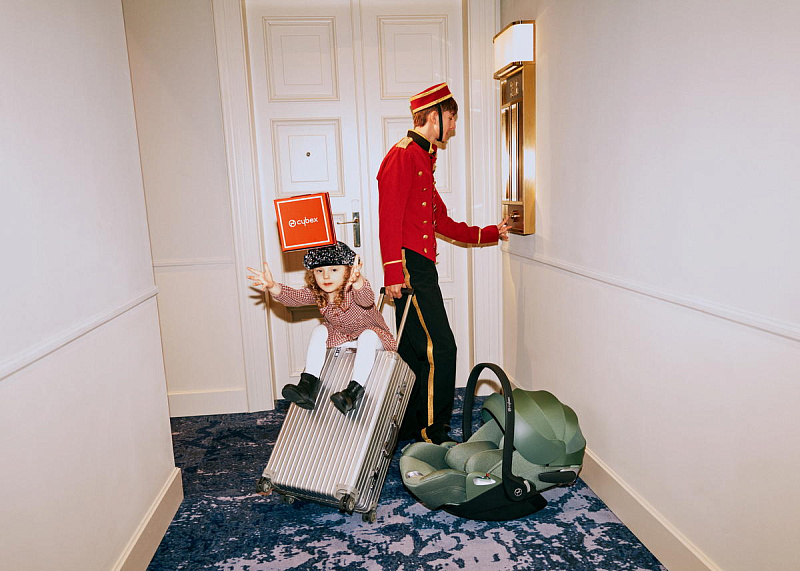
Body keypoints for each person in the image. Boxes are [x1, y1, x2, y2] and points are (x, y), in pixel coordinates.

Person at [377, 82, 511, 444]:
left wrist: (488, 233)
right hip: (409, 266)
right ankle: (434, 433)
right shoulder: (403, 156)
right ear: (434, 116)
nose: (452, 127)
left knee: (414, 352)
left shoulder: (422, 158)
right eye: (451, 119)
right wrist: (393, 272)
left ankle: (411, 426)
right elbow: (389, 219)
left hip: (420, 265)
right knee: (442, 348)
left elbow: (441, 220)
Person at [247, 241, 395, 414]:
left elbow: (366, 299)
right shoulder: (319, 293)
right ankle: (308, 386)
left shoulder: (353, 289)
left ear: (347, 271)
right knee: (319, 330)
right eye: (319, 271)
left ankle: (352, 393)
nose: (326, 276)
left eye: (334, 270)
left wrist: (358, 281)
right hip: (342, 335)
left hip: (373, 336)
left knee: (367, 336)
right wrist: (273, 286)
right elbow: (295, 297)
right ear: (313, 274)